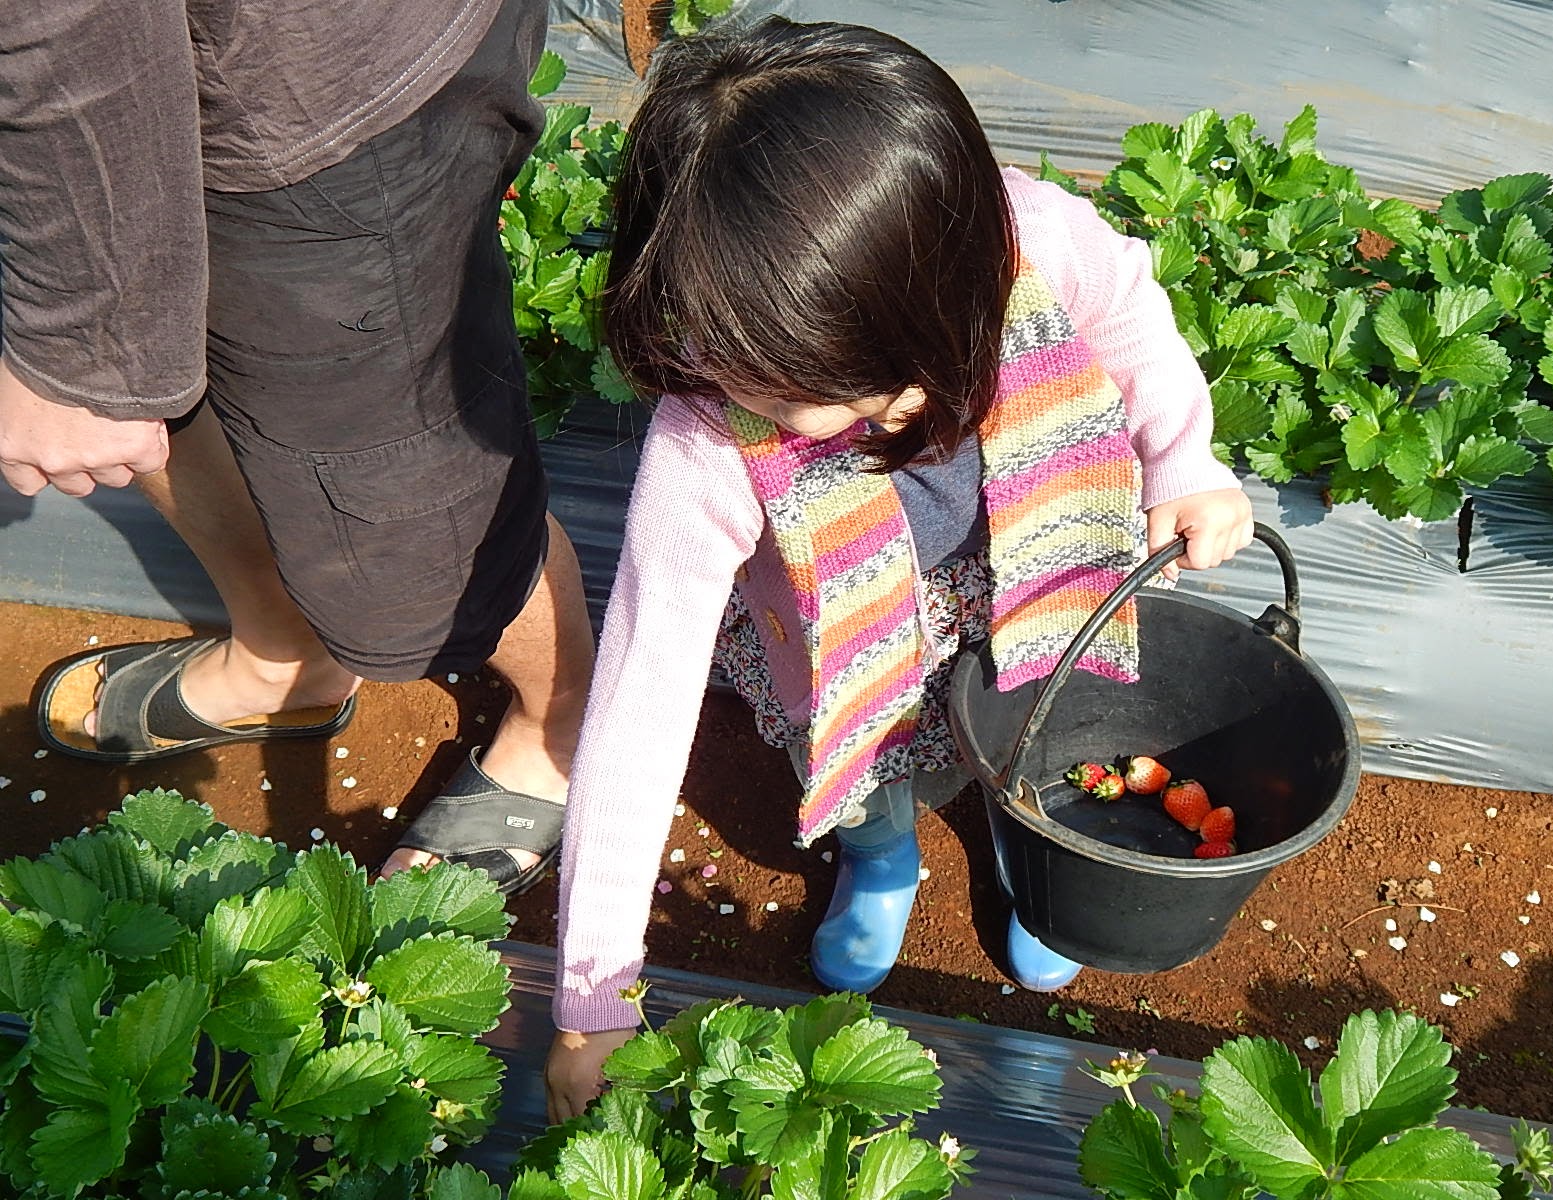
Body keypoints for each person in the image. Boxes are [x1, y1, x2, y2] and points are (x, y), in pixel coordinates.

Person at [541, 15, 1254, 1121]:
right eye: (809, 393)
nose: (891, 408)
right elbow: (640, 701)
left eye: (902, 375)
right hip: (844, 635)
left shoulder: (1030, 240)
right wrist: (592, 999)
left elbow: (1131, 318)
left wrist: (1186, 459)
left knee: (1033, 722)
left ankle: (1030, 858)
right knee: (867, 761)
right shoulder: (708, 440)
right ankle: (880, 862)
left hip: (1026, 578)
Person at [1, 0, 592, 894]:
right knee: (171, 401)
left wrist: (81, 331)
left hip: (311, 101)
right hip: (109, 109)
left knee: (413, 514)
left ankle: (562, 724)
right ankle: (288, 654)